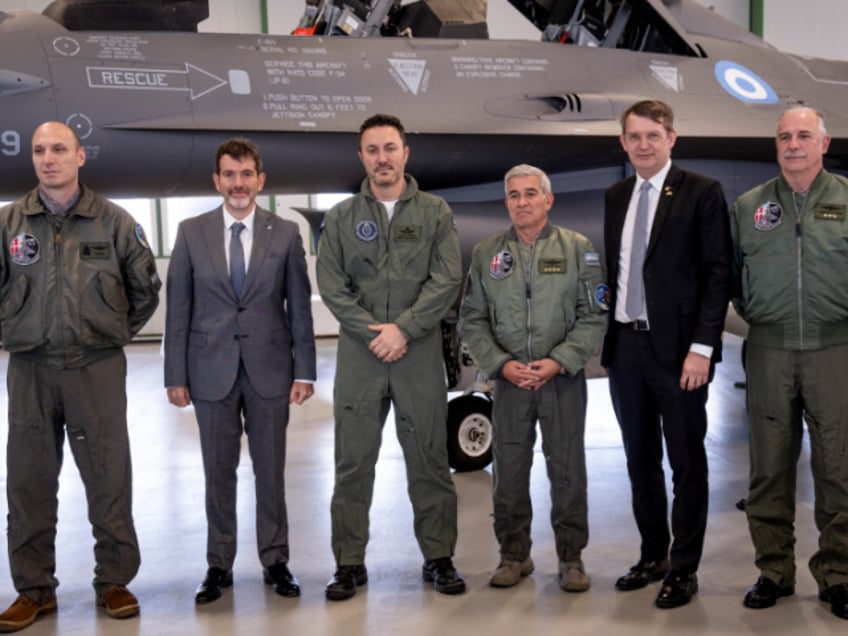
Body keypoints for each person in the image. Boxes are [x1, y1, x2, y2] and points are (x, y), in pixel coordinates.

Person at [0, 122, 161, 632]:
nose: (49, 159)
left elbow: (145, 291)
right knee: (27, 482)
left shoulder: (114, 223)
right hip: (30, 367)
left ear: (80, 157)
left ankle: (113, 581)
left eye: (59, 150)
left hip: (96, 369)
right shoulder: (9, 224)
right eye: (40, 151)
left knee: (108, 475)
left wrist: (106, 333)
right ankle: (34, 590)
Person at [316, 113, 465, 601]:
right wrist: (371, 331)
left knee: (429, 460)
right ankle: (348, 562)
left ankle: (439, 557)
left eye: (390, 148)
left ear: (406, 153)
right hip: (361, 356)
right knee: (352, 463)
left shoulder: (435, 212)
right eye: (372, 149)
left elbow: (446, 279)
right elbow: (332, 286)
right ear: (361, 157)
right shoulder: (340, 218)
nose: (382, 158)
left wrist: (405, 329)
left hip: (417, 353)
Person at [164, 138, 316, 605]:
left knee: (270, 472)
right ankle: (218, 565)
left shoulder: (286, 233)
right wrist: (175, 375)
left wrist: (305, 371)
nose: (238, 183)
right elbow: (179, 309)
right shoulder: (191, 232)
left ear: (260, 180)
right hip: (209, 372)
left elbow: (299, 308)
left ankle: (276, 560)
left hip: (271, 370)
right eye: (229, 175)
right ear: (217, 181)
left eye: (246, 174)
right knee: (218, 472)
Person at [602, 100, 731, 609]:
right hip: (626, 348)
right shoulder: (615, 196)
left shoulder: (702, 192)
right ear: (623, 142)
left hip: (679, 354)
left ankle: (684, 568)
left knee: (686, 462)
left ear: (671, 137)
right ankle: (653, 554)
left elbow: (717, 274)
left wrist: (702, 349)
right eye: (634, 136)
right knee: (639, 461)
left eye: (653, 135)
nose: (644, 145)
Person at [459, 164, 608, 592]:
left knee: (566, 471)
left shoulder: (578, 248)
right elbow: (472, 316)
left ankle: (571, 557)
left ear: (548, 200)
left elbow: (593, 314)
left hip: (560, 380)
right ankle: (513, 555)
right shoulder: (488, 253)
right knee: (508, 473)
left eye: (530, 194)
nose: (522, 202)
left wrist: (559, 361)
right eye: (514, 195)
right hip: (509, 382)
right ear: (506, 201)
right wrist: (500, 364)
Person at [730, 106, 848, 620]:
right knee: (768, 469)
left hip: (834, 348)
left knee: (839, 468)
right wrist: (758, 314)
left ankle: (839, 574)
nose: (793, 144)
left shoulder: (846, 200)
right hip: (770, 350)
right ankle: (773, 571)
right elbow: (731, 277)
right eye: (784, 137)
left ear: (824, 143)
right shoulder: (750, 207)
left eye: (804, 135)